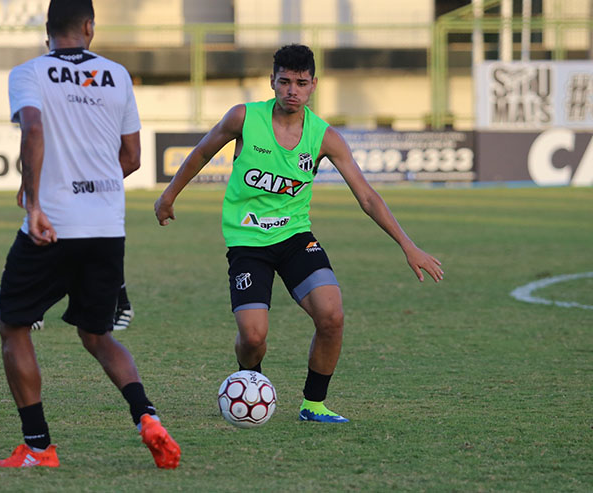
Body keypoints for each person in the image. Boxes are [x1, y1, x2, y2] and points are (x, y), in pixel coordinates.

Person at [154, 44, 443, 423]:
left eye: (301, 83)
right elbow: (201, 154)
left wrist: (408, 245)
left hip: (295, 238)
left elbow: (367, 197)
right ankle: (251, 379)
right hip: (248, 241)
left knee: (332, 316)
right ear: (271, 81)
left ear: (313, 86)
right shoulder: (243, 118)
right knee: (253, 337)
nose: (293, 90)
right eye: (285, 81)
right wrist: (169, 195)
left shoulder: (324, 137)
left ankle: (314, 405)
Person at [0, 0, 180, 469]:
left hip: (52, 224)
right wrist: (93, 192)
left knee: (14, 326)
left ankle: (39, 447)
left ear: (48, 30)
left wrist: (35, 199)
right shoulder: (116, 75)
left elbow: (33, 130)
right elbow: (133, 157)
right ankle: (148, 418)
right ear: (90, 27)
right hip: (105, 228)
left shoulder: (30, 72)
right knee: (97, 336)